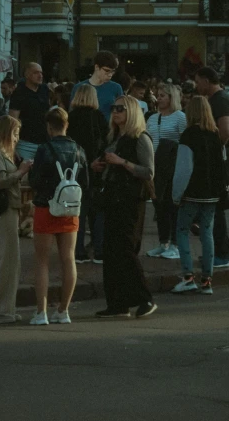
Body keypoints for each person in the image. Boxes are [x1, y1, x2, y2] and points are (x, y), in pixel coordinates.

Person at [91, 95, 157, 319]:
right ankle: (117, 303)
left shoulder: (140, 138)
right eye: (114, 108)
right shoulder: (113, 137)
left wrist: (121, 163)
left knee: (126, 248)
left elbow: (148, 172)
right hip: (112, 197)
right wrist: (99, 166)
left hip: (130, 199)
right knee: (110, 251)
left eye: (121, 109)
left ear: (132, 112)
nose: (116, 112)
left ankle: (144, 298)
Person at [29, 107, 88, 325]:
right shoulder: (79, 149)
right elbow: (86, 182)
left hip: (46, 206)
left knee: (42, 261)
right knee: (68, 258)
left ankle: (41, 312)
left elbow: (34, 181)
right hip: (71, 208)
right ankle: (63, 311)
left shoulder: (44, 149)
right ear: (66, 125)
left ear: (48, 126)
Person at [171, 96, 226, 295]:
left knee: (182, 230)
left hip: (192, 192)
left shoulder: (188, 135)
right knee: (207, 233)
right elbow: (222, 163)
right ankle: (207, 280)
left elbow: (184, 169)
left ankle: (187, 277)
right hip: (212, 193)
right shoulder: (215, 134)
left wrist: (176, 195)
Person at [0, 115, 33, 324]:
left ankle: (4, 308)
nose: (16, 138)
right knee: (7, 260)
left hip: (7, 209)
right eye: (14, 133)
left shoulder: (3, 154)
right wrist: (21, 172)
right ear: (4, 133)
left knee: (5, 259)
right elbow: (0, 179)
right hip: (3, 210)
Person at [195, 67, 229, 268]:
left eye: (198, 81)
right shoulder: (217, 99)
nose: (196, 86)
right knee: (210, 208)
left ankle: (223, 253)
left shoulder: (219, 100)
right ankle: (216, 251)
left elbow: (225, 131)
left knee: (216, 207)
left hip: (217, 162)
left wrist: (211, 150)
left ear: (207, 80)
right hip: (216, 159)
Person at [68, 84, 109, 263]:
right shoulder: (99, 117)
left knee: (79, 211)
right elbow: (105, 141)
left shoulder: (71, 117)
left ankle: (78, 252)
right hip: (97, 168)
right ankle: (99, 250)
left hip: (78, 169)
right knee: (98, 212)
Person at [145, 83, 187, 260]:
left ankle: (176, 245)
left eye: (163, 95)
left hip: (173, 164)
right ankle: (163, 242)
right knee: (159, 204)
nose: (159, 98)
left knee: (173, 205)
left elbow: (185, 141)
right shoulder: (152, 118)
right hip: (155, 164)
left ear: (171, 98)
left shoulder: (180, 117)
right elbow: (147, 138)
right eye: (158, 95)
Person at [9, 62, 50, 162]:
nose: (40, 75)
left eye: (41, 72)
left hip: (44, 142)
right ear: (27, 75)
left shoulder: (44, 90)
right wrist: (12, 146)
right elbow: (12, 121)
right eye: (36, 72)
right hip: (25, 143)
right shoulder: (19, 93)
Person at [71, 51, 123, 121]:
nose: (110, 74)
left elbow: (121, 114)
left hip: (109, 130)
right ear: (97, 67)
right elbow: (72, 114)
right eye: (107, 71)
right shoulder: (79, 88)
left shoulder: (116, 88)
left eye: (112, 71)